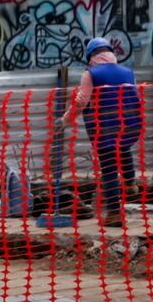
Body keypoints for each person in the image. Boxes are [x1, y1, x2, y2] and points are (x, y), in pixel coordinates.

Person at [54, 37, 141, 227]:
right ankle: (130, 182)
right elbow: (136, 97)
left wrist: (65, 120)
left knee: (109, 167)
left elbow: (81, 101)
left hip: (105, 127)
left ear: (91, 56)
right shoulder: (128, 72)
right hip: (129, 123)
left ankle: (114, 214)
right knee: (124, 147)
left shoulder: (91, 74)